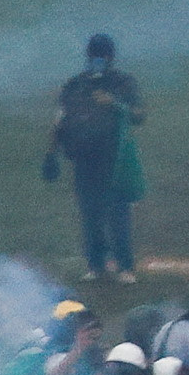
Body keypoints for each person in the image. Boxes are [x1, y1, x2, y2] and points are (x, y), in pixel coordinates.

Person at [47, 37, 151, 278]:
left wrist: (113, 102)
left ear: (110, 58)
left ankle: (125, 266)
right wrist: (50, 154)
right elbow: (60, 120)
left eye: (102, 56)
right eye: (94, 55)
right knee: (90, 214)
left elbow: (139, 114)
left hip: (115, 161)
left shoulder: (123, 83)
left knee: (118, 214)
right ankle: (95, 265)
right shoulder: (75, 85)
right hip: (84, 158)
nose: (98, 60)